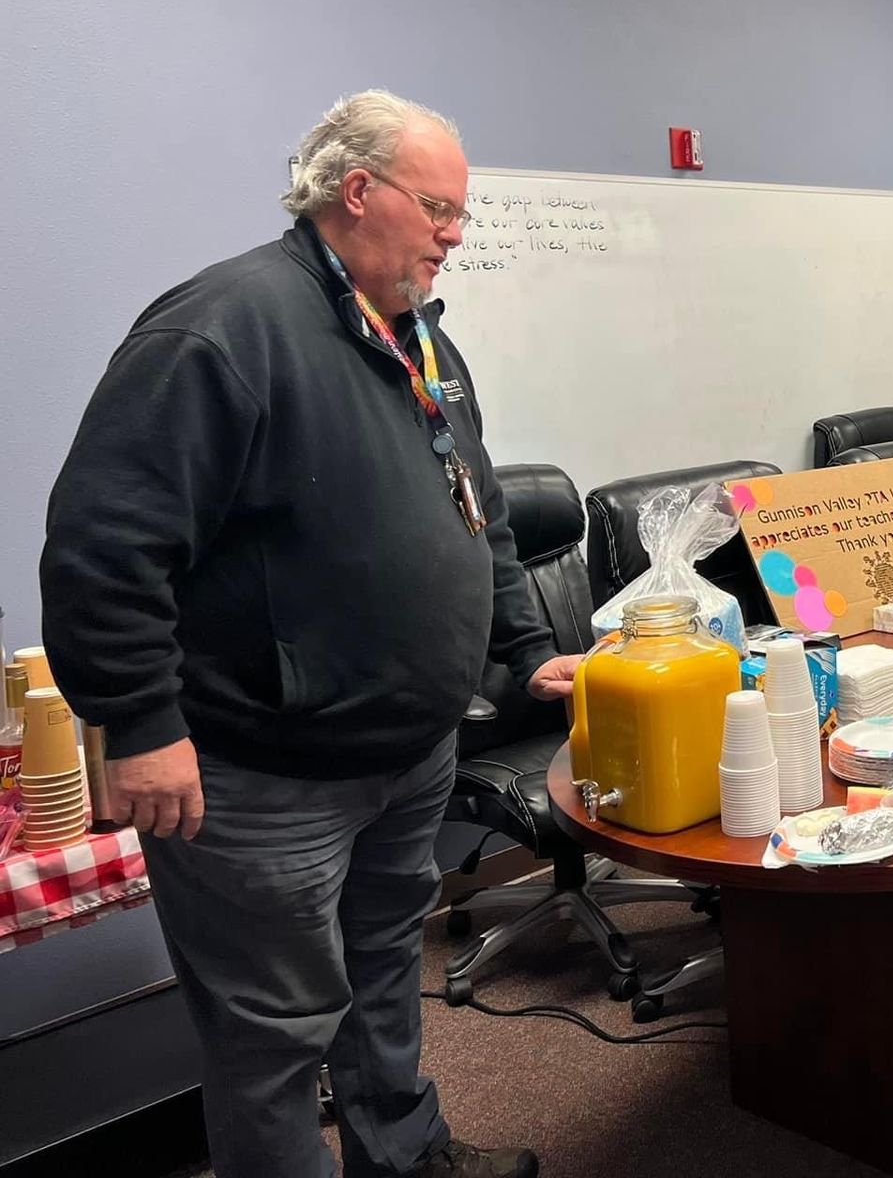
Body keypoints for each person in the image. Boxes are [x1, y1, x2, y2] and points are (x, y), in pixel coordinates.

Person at [40, 91, 580, 1178]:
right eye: (439, 208)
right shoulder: (225, 327)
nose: (455, 234)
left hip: (409, 753)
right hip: (261, 777)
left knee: (383, 977)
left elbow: (477, 514)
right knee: (272, 1036)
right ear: (358, 190)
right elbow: (104, 545)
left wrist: (527, 651)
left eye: (461, 213)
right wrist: (139, 722)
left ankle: (404, 1156)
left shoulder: (419, 337)